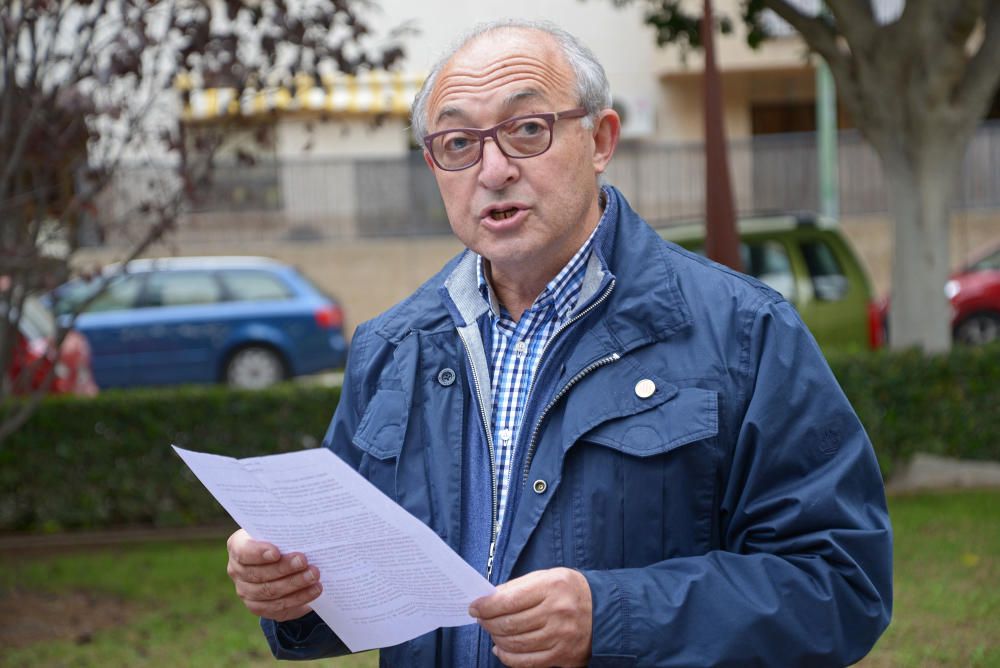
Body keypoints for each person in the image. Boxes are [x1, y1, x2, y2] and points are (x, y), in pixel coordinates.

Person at [225, 19, 892, 667]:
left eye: (526, 130)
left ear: (601, 140)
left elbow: (840, 584)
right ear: (434, 163)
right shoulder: (393, 347)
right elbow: (359, 591)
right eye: (458, 143)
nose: (492, 170)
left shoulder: (745, 331)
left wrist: (613, 616)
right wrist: (291, 595)